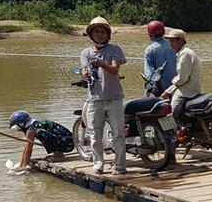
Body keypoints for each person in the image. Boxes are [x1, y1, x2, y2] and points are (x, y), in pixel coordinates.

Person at [80, 16, 128, 175]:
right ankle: (98, 164)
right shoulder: (86, 52)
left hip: (114, 98)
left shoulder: (115, 50)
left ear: (108, 34)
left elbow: (115, 70)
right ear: (91, 34)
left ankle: (120, 165)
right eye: (96, 32)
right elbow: (83, 68)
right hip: (95, 99)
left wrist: (101, 64)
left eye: (102, 32)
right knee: (95, 134)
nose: (99, 34)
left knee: (119, 135)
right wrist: (84, 73)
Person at [8, 111, 74, 170]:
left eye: (18, 128)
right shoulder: (33, 125)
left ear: (22, 125)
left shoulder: (31, 129)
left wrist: (23, 167)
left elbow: (28, 150)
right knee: (37, 135)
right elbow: (26, 148)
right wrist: (21, 165)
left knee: (39, 133)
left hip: (68, 143)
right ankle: (58, 154)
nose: (18, 130)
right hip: (66, 142)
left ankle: (59, 155)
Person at [161, 28, 202, 120]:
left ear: (181, 40)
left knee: (170, 114)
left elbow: (182, 79)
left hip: (186, 91)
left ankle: (171, 133)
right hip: (193, 89)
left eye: (173, 41)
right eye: (170, 42)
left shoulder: (185, 54)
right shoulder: (187, 53)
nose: (171, 45)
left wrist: (168, 91)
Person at [143, 20, 177, 96]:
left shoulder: (150, 50)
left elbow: (149, 74)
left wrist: (147, 94)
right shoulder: (173, 45)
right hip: (176, 87)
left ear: (150, 34)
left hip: (161, 90)